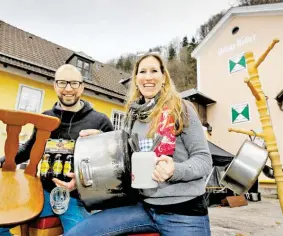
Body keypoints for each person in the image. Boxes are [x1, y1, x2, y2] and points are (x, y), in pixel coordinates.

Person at [65, 53, 213, 236]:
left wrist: (175, 170)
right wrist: (101, 143)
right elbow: (123, 160)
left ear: (164, 77)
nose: (148, 77)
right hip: (143, 207)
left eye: (154, 71)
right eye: (142, 71)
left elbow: (204, 160)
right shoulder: (133, 116)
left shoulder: (181, 109)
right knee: (78, 233)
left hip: (183, 212)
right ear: (136, 79)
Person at [0, 64, 114, 235]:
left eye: (74, 83)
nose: (68, 89)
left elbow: (111, 165)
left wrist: (83, 183)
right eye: (62, 83)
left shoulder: (100, 121)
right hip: (41, 194)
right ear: (54, 85)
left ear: (82, 87)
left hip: (77, 199)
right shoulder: (45, 117)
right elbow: (28, 149)